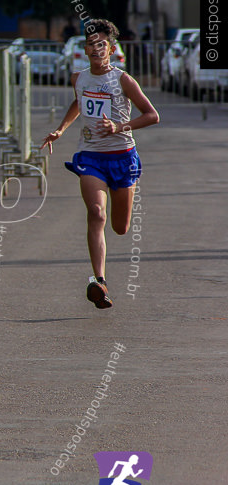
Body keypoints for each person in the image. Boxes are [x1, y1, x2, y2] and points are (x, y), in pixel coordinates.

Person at [41, 19, 159, 309]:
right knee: (96, 213)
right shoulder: (78, 78)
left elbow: (151, 115)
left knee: (120, 227)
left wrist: (120, 127)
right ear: (85, 48)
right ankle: (100, 281)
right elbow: (78, 102)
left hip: (122, 156)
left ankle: (101, 276)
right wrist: (61, 129)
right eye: (91, 43)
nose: (96, 48)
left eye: (102, 44)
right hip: (91, 156)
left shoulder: (122, 80)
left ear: (111, 48)